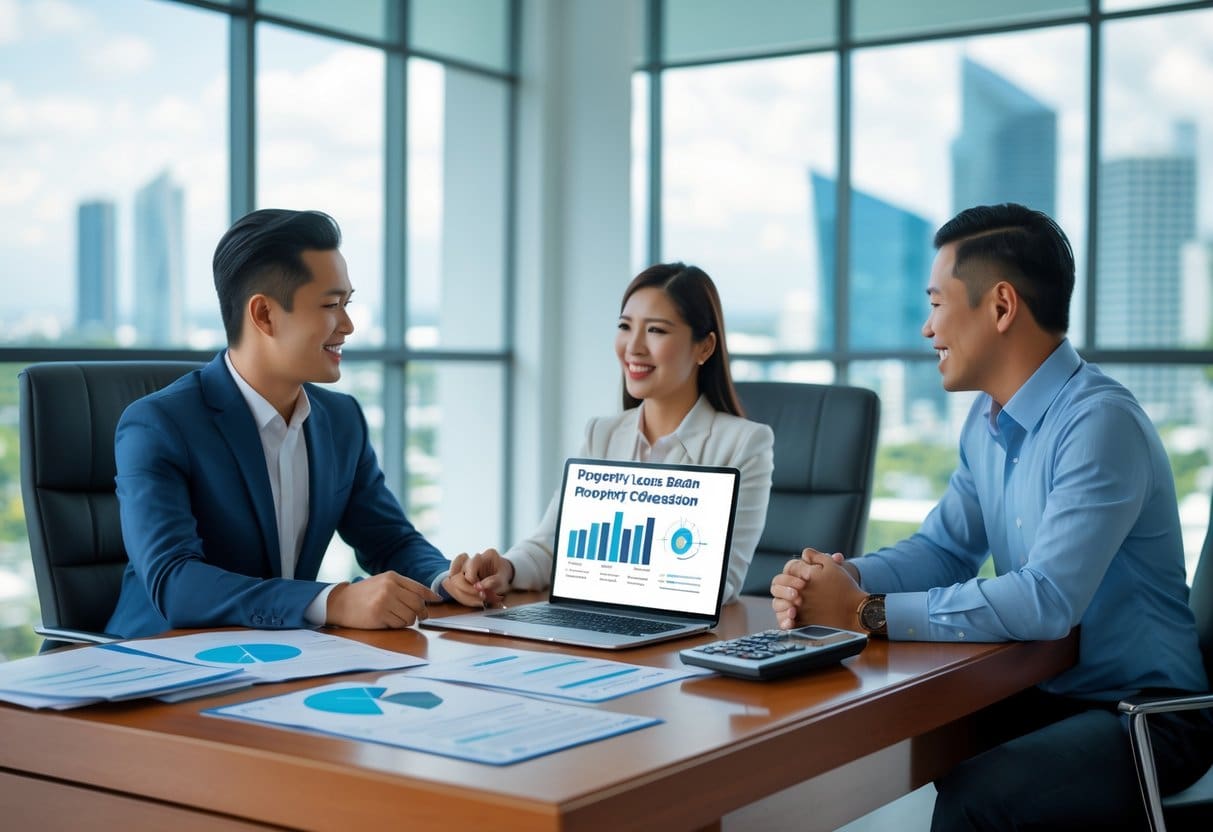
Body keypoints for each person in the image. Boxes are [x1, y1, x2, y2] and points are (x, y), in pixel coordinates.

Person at [770, 203, 1213, 831]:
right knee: (891, 743)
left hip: (1144, 717)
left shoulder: (1098, 422)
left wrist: (864, 613)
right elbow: (943, 551)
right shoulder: (987, 421)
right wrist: (842, 581)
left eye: (935, 302)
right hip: (1047, 694)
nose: (927, 329)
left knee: (979, 796)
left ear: (1001, 307)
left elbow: (1047, 600)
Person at [106, 209, 482, 639]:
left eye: (347, 303)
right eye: (329, 305)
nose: (347, 325)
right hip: (160, 664)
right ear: (264, 315)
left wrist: (444, 578)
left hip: (282, 659)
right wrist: (332, 601)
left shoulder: (341, 420)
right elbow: (174, 584)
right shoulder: (159, 425)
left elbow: (389, 541)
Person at [446, 262, 774, 606]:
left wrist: (605, 578)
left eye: (656, 331)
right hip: (595, 624)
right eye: (624, 326)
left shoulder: (745, 444)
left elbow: (722, 583)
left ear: (704, 347)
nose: (633, 347)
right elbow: (551, 544)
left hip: (680, 641)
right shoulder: (602, 434)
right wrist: (508, 567)